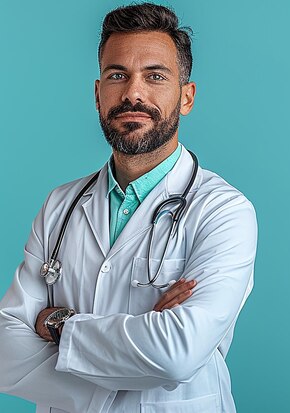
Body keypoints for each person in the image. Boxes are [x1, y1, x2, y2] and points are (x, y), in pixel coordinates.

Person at [0, 3, 257, 413]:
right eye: (117, 75)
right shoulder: (60, 205)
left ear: (186, 97)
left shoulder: (223, 212)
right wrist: (138, 350)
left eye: (155, 76)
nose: (133, 93)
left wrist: (55, 324)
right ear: (98, 94)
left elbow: (177, 353)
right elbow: (5, 350)